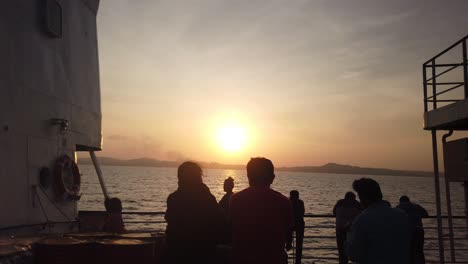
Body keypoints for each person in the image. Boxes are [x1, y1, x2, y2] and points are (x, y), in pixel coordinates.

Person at [229, 157, 293, 264]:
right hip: (274, 259)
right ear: (272, 178)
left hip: (242, 258)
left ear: (248, 176)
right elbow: (288, 233)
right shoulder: (284, 202)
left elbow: (231, 229)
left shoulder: (236, 199)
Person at [163, 161, 226, 264]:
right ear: (198, 177)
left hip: (176, 252)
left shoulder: (173, 198)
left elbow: (170, 222)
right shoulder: (207, 198)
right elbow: (221, 222)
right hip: (203, 252)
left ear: (180, 178)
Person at [346, 178, 411, 264]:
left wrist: (348, 235)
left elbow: (353, 255)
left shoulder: (362, 220)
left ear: (363, 197)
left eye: (359, 196)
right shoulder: (402, 215)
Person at [397, 195, 429, 264]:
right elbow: (426, 214)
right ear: (409, 200)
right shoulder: (416, 206)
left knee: (409, 251)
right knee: (419, 251)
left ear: (400, 201)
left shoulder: (399, 207)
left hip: (407, 231)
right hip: (419, 230)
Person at [333, 192, 362, 264]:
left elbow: (334, 213)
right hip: (352, 231)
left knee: (341, 251)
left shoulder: (339, 204)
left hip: (340, 230)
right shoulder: (357, 205)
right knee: (356, 252)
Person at [287, 190, 305, 264]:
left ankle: (288, 247)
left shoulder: (288, 202)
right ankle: (298, 261)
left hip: (290, 224)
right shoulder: (300, 202)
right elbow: (302, 212)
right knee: (299, 244)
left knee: (288, 240)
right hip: (299, 224)